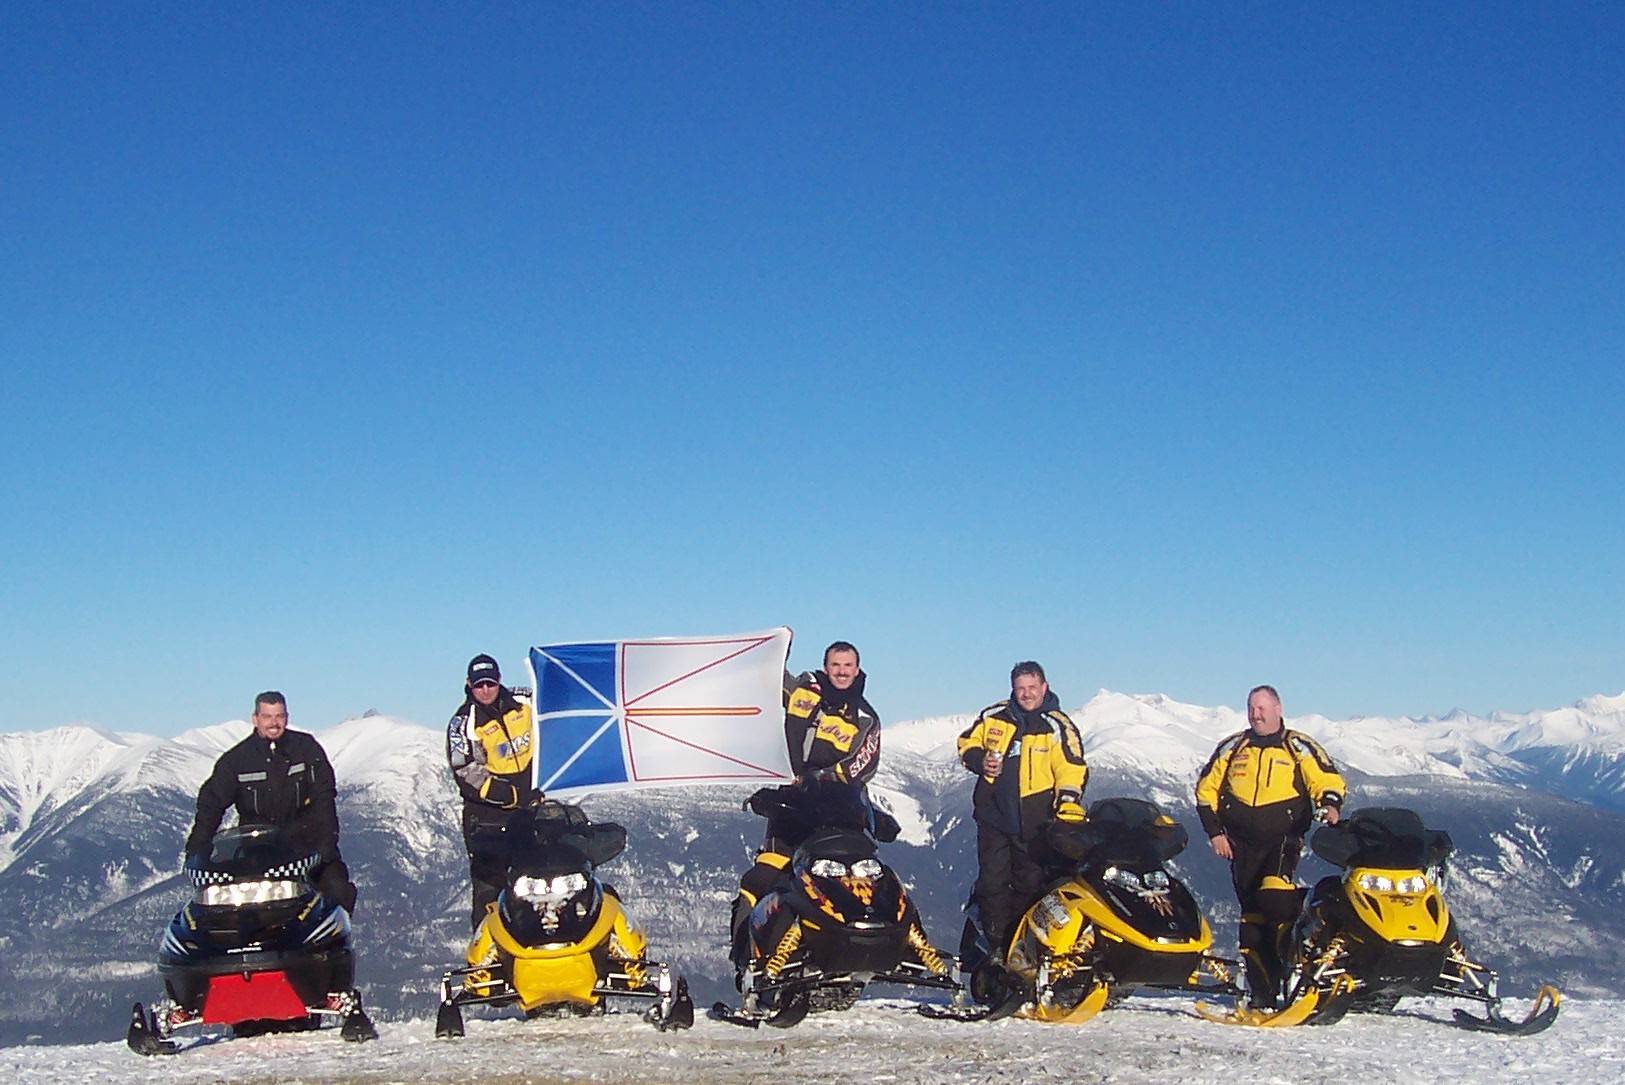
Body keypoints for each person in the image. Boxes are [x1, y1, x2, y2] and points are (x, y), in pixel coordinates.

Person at [1194, 683, 1346, 1009]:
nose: (1255, 714)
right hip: (1239, 845)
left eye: (1262, 707)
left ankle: (1316, 910)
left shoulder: (1298, 746)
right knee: (1251, 920)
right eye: (1251, 707)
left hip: (1282, 839)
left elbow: (1327, 779)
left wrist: (1330, 804)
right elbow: (1205, 791)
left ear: (1278, 709)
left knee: (1273, 898)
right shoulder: (1233, 747)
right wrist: (1215, 833)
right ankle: (1263, 994)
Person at [731, 640, 882, 969]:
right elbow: (770, 680)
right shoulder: (803, 691)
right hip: (790, 810)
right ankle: (746, 957)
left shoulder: (866, 718)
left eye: (847, 666)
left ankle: (847, 954)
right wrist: (776, 648)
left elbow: (863, 766)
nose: (841, 672)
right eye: (835, 665)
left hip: (837, 814)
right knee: (763, 878)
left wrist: (820, 777)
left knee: (844, 884)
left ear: (857, 669)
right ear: (826, 666)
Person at [957, 661, 1087, 968]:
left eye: (1032, 688)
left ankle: (1029, 952)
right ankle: (996, 950)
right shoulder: (994, 717)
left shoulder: (1057, 726)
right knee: (992, 886)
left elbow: (1071, 766)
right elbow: (966, 743)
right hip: (993, 817)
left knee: (1031, 887)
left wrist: (1068, 802)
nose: (1026, 694)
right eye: (1020, 688)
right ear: (1013, 689)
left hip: (1036, 823)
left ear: (1044, 687)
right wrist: (980, 759)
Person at [185, 691, 357, 912]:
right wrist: (196, 852)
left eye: (280, 716)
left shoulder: (306, 749)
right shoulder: (237, 760)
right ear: (255, 719)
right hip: (257, 853)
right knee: (237, 910)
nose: (274, 723)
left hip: (305, 847)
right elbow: (211, 807)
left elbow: (324, 799)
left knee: (338, 893)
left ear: (287, 717)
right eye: (267, 717)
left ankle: (331, 945)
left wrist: (326, 847)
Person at [446, 653, 538, 931]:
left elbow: (557, 704)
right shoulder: (462, 724)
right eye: (478, 685)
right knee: (489, 894)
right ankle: (486, 963)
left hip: (532, 809)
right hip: (487, 818)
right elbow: (465, 770)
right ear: (468, 685)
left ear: (500, 680)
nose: (485, 690)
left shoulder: (526, 701)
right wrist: (510, 795)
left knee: (536, 883)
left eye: (490, 683)